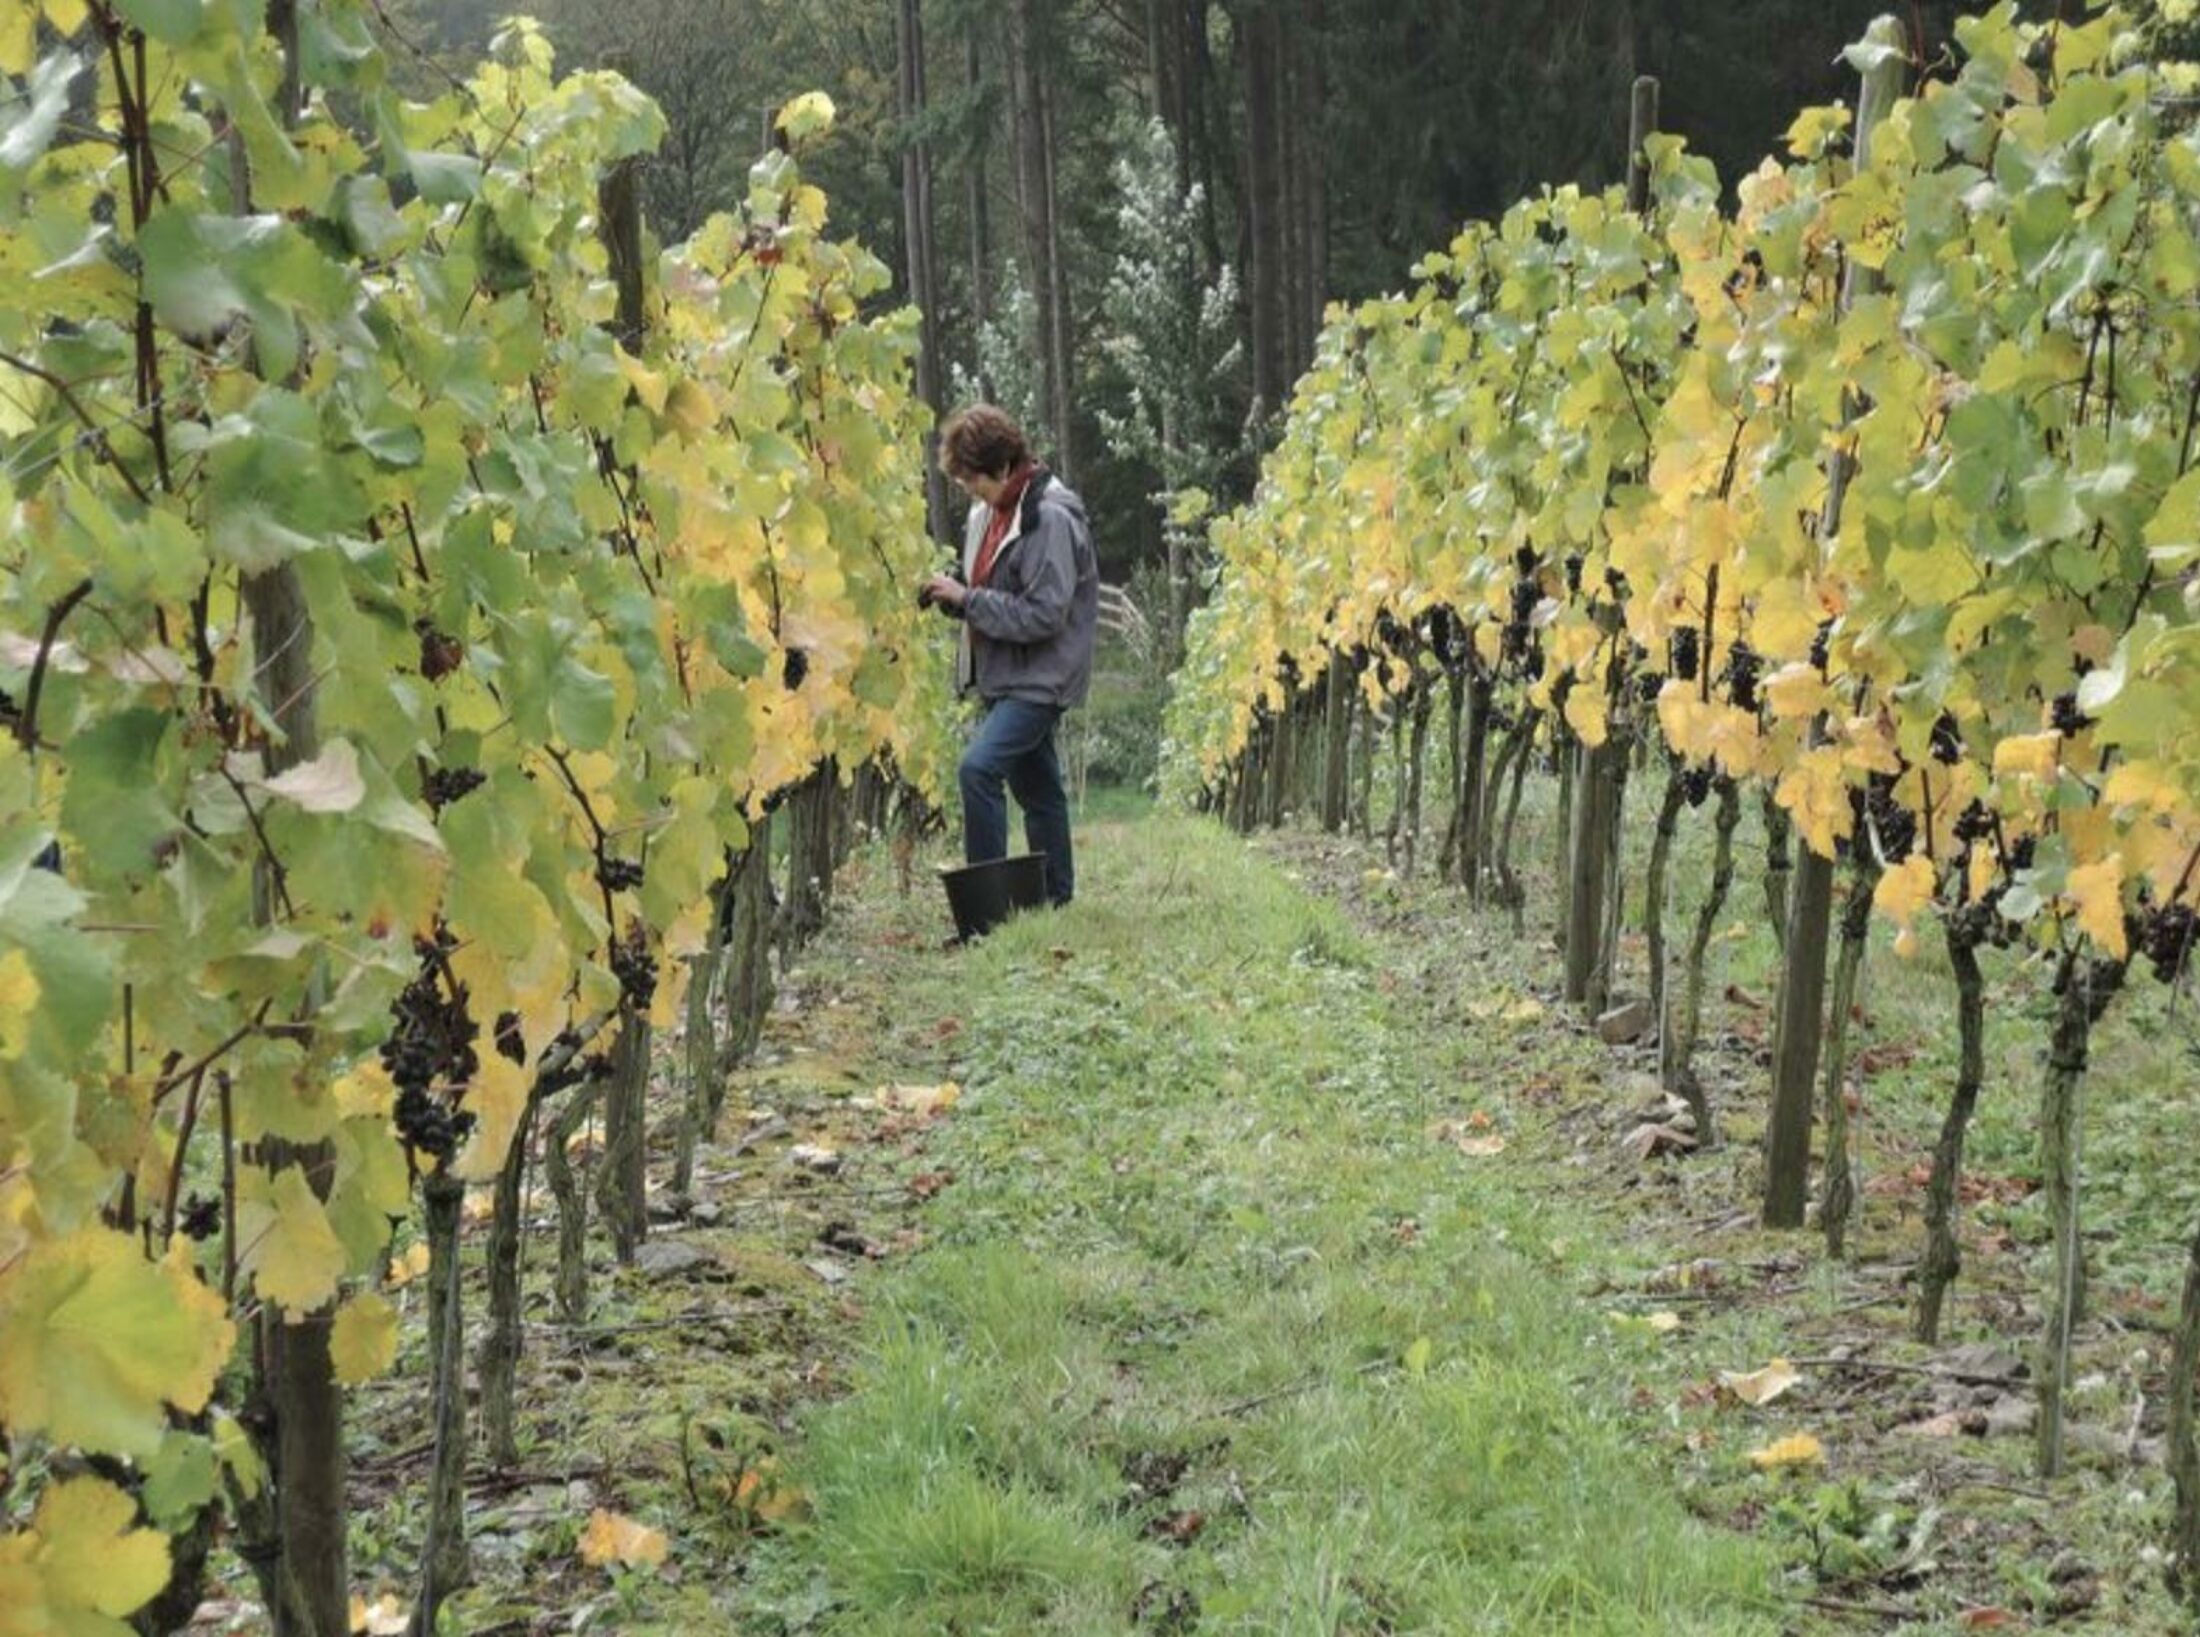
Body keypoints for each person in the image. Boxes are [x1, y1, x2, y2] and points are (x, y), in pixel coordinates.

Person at [919, 405, 1099, 908]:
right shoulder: (996, 514)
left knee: (978, 769)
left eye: (972, 477)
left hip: (1040, 678)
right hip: (1010, 676)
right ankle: (1054, 901)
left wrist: (967, 599)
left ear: (1001, 466)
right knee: (1038, 790)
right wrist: (953, 599)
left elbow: (1044, 614)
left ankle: (987, 910)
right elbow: (994, 593)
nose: (968, 489)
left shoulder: (1048, 519)